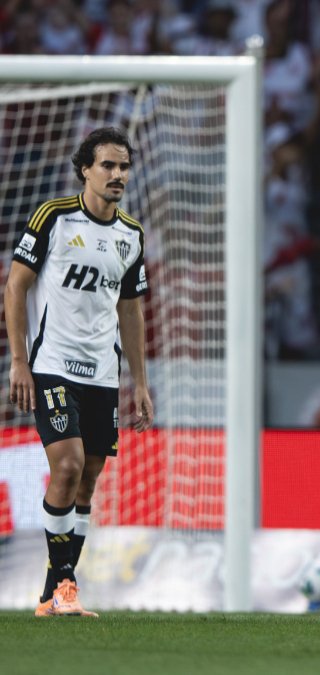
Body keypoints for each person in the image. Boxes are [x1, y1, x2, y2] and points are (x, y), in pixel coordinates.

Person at [5, 126, 154, 617]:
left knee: (87, 482)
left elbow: (130, 311)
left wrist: (140, 382)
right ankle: (66, 582)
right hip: (51, 366)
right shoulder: (53, 218)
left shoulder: (130, 236)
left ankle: (54, 593)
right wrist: (20, 362)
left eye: (123, 166)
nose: (117, 175)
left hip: (102, 375)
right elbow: (15, 287)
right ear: (85, 170)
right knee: (65, 468)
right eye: (107, 165)